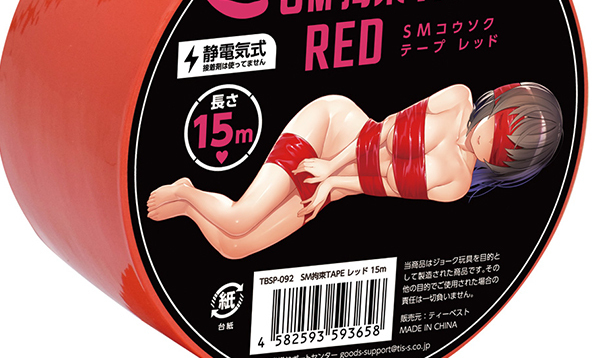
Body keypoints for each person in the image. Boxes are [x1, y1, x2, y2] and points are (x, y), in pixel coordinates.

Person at [147, 82, 562, 259]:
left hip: (342, 182)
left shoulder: (455, 184)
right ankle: (187, 191)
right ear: (499, 101)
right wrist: (329, 165)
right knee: (240, 218)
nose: (484, 143)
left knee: (234, 247)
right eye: (496, 130)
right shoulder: (457, 99)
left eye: (497, 155)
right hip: (334, 126)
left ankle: (188, 207)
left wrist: (333, 183)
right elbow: (382, 133)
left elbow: (382, 185)